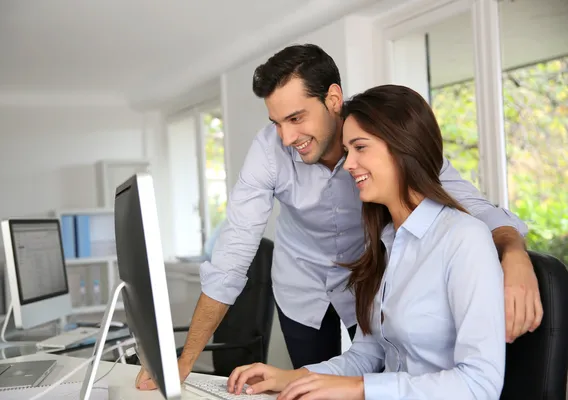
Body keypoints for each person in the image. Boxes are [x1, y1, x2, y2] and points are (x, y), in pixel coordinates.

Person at [135, 43, 542, 390]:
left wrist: (514, 252)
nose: (286, 138)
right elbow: (230, 261)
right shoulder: (273, 154)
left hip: (366, 278)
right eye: (277, 122)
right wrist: (185, 362)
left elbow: (469, 205)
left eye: (296, 118)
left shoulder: (386, 138)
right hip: (309, 284)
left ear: (332, 99)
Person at [226, 84, 506, 400]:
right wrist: (291, 378)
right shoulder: (385, 242)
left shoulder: (464, 239)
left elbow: (480, 384)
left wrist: (360, 389)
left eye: (360, 147)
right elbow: (368, 354)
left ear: (404, 148)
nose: (348, 165)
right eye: (348, 151)